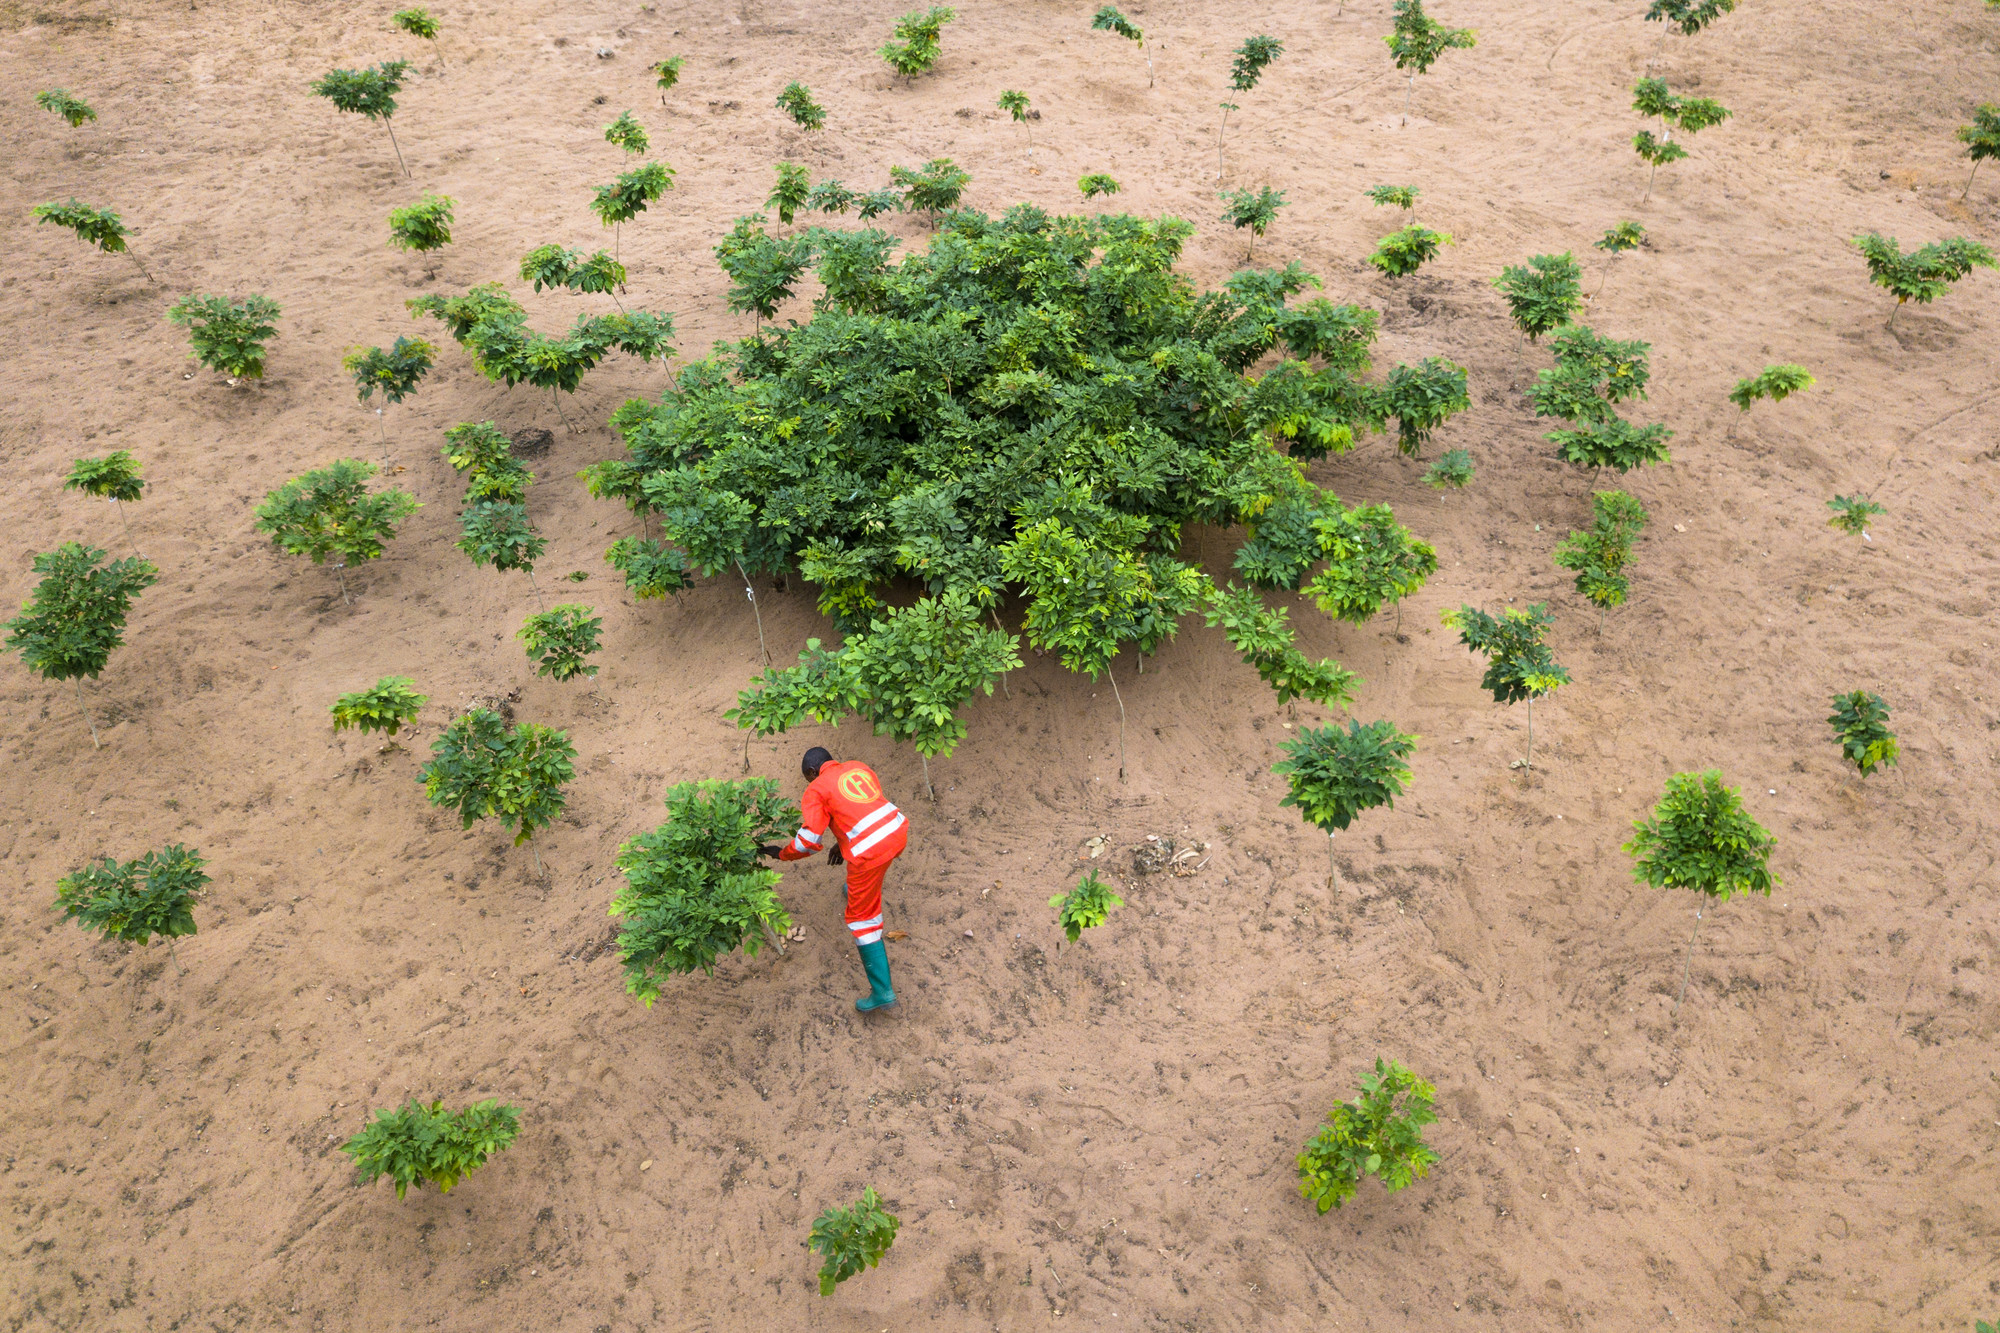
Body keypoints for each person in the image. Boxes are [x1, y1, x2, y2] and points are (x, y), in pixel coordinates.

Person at [759, 747, 906, 1012]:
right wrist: (842, 841)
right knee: (872, 869)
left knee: (863, 920)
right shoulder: (857, 765)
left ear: (812, 772)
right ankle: (857, 889)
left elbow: (809, 841)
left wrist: (781, 854)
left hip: (870, 852)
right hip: (896, 831)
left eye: (807, 777)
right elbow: (859, 810)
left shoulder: (816, 789)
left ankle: (883, 993)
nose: (809, 782)